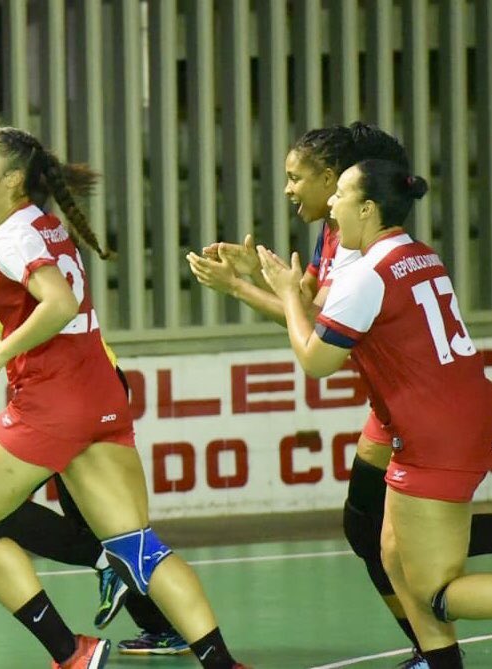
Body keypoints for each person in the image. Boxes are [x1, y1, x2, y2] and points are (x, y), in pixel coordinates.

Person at [0, 126, 245, 669]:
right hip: (100, 395)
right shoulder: (42, 226)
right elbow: (47, 300)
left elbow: (55, 304)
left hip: (50, 404)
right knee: (139, 549)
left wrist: (1, 353)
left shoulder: (10, 235)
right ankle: (222, 662)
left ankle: (70, 652)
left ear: (11, 180)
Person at [186, 123, 492, 669]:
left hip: (432, 426)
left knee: (433, 589)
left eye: (337, 194)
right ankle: (438, 660)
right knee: (388, 547)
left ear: (366, 205)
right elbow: (317, 309)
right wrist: (261, 279)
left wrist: (265, 289)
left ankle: (439, 651)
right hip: (439, 406)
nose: (327, 203)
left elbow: (316, 356)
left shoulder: (364, 268)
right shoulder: (411, 251)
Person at [0, 304, 190, 655]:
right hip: (88, 391)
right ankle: (159, 627)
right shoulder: (36, 267)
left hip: (71, 399)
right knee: (97, 522)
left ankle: (105, 571)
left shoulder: (21, 253)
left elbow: (40, 307)